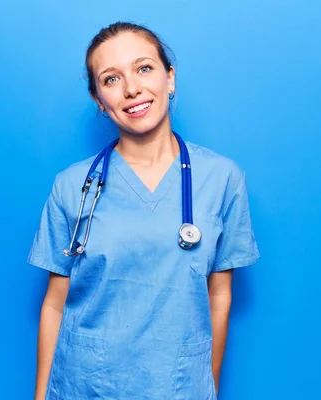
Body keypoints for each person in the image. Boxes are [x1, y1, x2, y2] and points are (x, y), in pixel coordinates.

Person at [28, 21, 260, 400]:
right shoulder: (72, 186)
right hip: (85, 386)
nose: (132, 88)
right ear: (99, 101)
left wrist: (206, 386)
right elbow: (55, 304)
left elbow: (219, 295)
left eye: (144, 68)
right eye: (111, 79)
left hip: (179, 386)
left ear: (170, 77)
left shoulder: (222, 179)